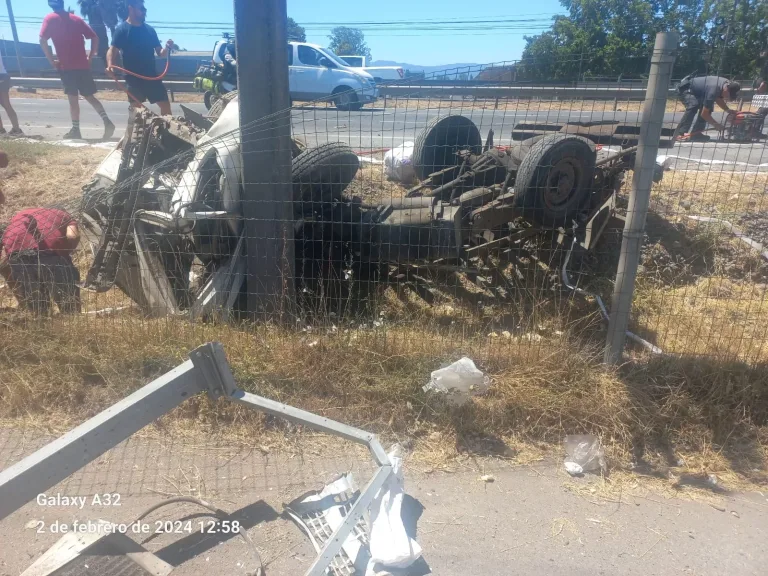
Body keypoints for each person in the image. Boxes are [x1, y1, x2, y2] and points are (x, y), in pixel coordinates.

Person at [39, 0, 115, 141]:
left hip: (66, 67)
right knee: (89, 96)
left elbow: (42, 40)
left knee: (73, 100)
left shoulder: (50, 18)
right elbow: (95, 37)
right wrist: (90, 56)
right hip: (82, 66)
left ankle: (76, 130)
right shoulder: (76, 19)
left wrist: (51, 60)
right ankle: (107, 121)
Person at [0, 207, 81, 314]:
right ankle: (71, 320)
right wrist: (65, 254)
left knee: (37, 309)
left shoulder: (20, 216)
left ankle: (41, 323)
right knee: (70, 305)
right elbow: (72, 236)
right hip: (50, 254)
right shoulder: (64, 215)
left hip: (18, 258)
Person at [107, 0, 174, 116]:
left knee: (165, 106)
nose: (144, 11)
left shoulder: (149, 30)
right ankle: (132, 134)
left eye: (144, 9)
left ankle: (166, 133)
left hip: (152, 76)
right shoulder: (122, 30)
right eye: (141, 9)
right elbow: (112, 50)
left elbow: (160, 53)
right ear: (131, 9)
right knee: (136, 112)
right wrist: (109, 65)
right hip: (133, 79)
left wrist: (167, 48)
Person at [675, 75, 740, 142]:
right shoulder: (713, 90)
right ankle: (679, 133)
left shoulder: (725, 85)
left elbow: (718, 98)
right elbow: (704, 114)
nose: (727, 98)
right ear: (726, 89)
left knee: (709, 107)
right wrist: (716, 125)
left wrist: (728, 110)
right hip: (685, 89)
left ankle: (696, 134)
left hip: (698, 93)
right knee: (694, 105)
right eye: (728, 96)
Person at [0, 51, 22, 136]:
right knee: (7, 104)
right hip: (4, 75)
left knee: (6, 104)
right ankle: (16, 129)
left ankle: (1, 131)